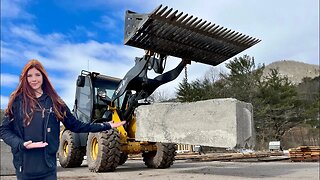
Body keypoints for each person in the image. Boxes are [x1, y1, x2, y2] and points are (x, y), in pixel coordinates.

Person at [0, 59, 126, 180]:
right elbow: (4, 130)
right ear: (25, 79)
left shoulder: (55, 102)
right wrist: (21, 144)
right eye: (29, 76)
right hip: (24, 167)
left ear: (43, 77)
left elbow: (77, 126)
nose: (34, 79)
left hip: (47, 168)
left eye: (37, 75)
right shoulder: (17, 101)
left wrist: (106, 125)